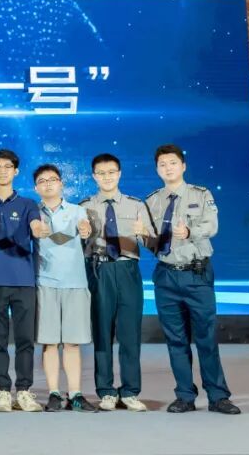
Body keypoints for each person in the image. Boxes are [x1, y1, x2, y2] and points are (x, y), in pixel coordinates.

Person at [146, 144, 240, 415]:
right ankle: (184, 396)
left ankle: (218, 396)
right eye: (162, 164)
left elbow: (212, 225)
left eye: (173, 163)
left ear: (183, 166)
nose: (168, 168)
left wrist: (189, 231)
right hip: (166, 276)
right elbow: (151, 242)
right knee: (175, 340)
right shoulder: (151, 201)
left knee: (206, 338)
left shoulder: (201, 194)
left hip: (196, 274)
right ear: (157, 169)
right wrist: (143, 236)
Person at [79, 153, 153, 412]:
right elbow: (76, 243)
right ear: (94, 176)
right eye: (101, 173)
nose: (107, 177)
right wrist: (82, 235)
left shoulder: (136, 205)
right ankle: (106, 391)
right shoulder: (84, 206)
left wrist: (145, 234)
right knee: (101, 332)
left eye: (111, 172)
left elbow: (152, 243)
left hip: (127, 269)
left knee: (130, 332)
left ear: (119, 174)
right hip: (99, 270)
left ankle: (130, 391)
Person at [0, 149, 43, 413]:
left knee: (25, 339)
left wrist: (38, 229)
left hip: (24, 280)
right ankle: (3, 391)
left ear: (16, 171)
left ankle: (24, 390)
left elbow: (36, 226)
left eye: (8, 166)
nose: (3, 171)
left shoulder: (28, 204)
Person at [32, 163, 97, 413]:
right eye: (42, 181)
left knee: (72, 343)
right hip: (44, 283)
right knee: (49, 343)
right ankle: (54, 393)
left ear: (61, 183)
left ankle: (76, 394)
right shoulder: (32, 212)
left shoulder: (78, 210)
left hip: (75, 283)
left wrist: (85, 229)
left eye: (52, 179)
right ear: (36, 187)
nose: (48, 184)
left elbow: (85, 228)